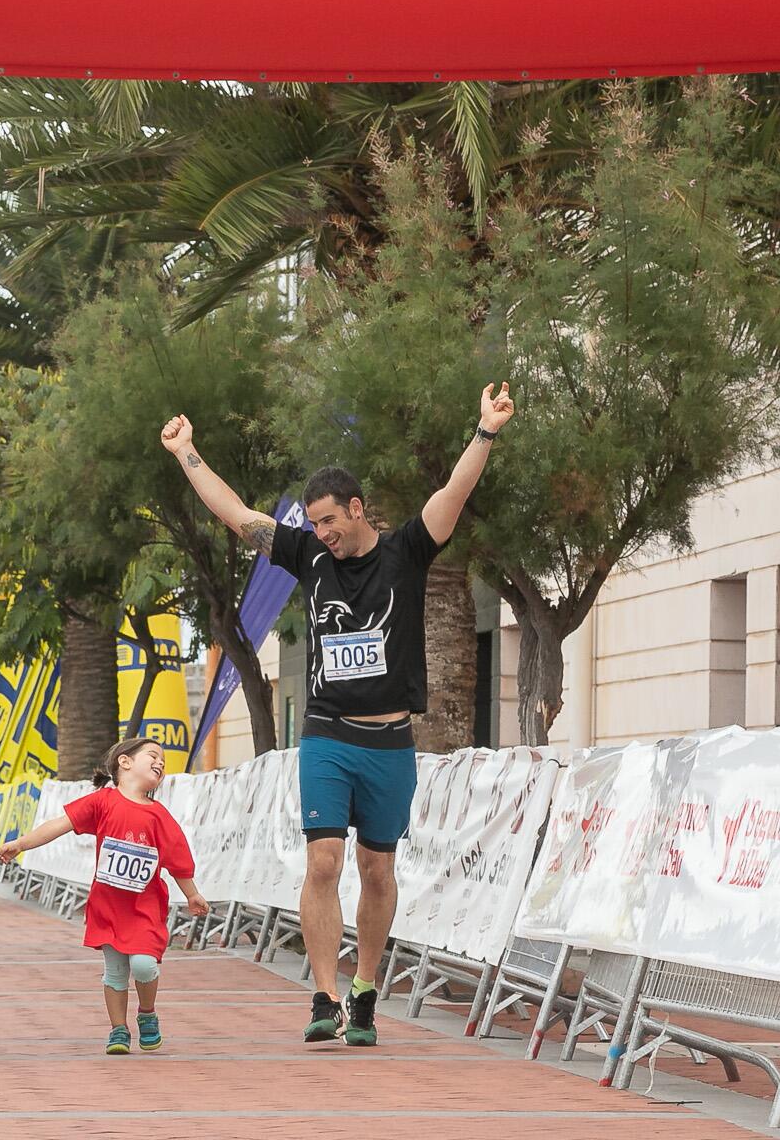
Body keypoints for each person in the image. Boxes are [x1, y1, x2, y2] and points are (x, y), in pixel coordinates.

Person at [159, 382, 515, 1047]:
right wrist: (188, 453)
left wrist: (485, 431)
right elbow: (238, 515)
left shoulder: (407, 552)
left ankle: (366, 989)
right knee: (323, 862)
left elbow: (453, 497)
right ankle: (323, 997)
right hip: (326, 733)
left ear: (356, 508)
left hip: (389, 744)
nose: (321, 534)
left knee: (378, 871)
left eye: (329, 521)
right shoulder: (309, 556)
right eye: (313, 524)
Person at [0, 738, 210, 1055]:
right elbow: (59, 824)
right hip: (108, 907)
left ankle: (147, 1014)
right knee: (114, 972)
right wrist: (22, 844)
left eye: (163, 762)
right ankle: (118, 1030)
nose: (160, 764)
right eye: (153, 756)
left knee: (143, 966)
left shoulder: (159, 816)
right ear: (124, 762)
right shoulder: (102, 802)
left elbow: (177, 859)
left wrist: (192, 895)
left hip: (144, 908)